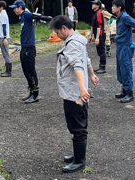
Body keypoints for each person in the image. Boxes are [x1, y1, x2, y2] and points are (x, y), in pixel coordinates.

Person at [48, 16, 94, 173]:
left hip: (74, 93)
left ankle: (80, 161)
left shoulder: (72, 44)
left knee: (77, 126)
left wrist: (82, 89)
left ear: (64, 28)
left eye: (57, 32)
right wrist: (92, 75)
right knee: (75, 124)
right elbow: (86, 59)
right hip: (72, 91)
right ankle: (77, 155)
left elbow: (78, 64)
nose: (57, 35)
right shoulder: (77, 40)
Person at [11, 0, 54, 103]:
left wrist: (50, 19)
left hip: (29, 48)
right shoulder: (22, 17)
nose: (14, 10)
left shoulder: (26, 14)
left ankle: (35, 94)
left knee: (31, 71)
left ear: (20, 7)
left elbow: (36, 16)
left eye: (15, 8)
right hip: (24, 47)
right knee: (26, 71)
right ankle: (31, 91)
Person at [90, 0, 110, 73]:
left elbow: (99, 26)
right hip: (96, 34)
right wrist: (90, 36)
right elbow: (92, 25)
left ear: (98, 6)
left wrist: (97, 38)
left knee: (101, 51)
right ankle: (100, 66)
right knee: (99, 51)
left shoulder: (99, 13)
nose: (92, 5)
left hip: (100, 34)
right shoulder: (95, 13)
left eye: (94, 4)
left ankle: (103, 67)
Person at [0, 1, 13, 77]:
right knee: (5, 54)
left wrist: (5, 38)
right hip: (2, 37)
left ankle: (8, 71)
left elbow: (4, 27)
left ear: (1, 7)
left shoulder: (3, 15)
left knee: (6, 54)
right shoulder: (2, 14)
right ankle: (7, 70)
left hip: (3, 37)